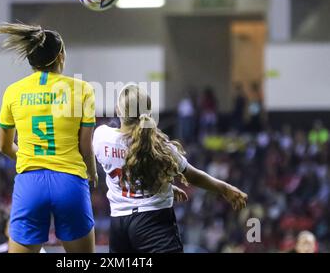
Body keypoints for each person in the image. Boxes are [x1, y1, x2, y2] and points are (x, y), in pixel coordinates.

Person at [93, 84, 248, 253]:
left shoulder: (101, 137)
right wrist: (224, 188)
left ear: (118, 110)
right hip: (153, 223)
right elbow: (192, 176)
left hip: (119, 226)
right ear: (149, 112)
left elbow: (126, 169)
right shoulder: (159, 147)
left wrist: (164, 186)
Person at [0, 23, 97, 253]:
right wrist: (93, 173)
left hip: (30, 184)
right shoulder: (82, 89)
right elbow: (85, 147)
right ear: (61, 56)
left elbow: (3, 146)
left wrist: (27, 156)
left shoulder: (13, 91)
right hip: (70, 182)